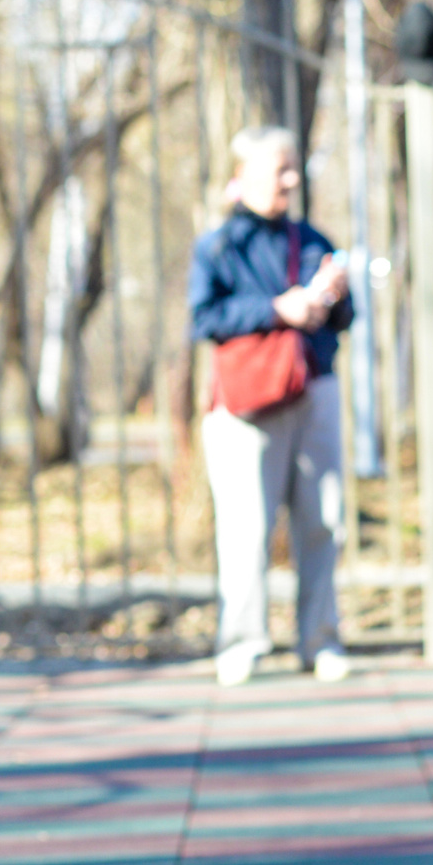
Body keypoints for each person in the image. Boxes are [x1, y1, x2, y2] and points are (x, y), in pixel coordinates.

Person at [188, 125, 354, 688]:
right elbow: (204, 319)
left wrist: (332, 296)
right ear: (241, 178)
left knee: (322, 521)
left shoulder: (311, 240)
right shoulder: (218, 246)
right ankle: (241, 642)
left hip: (314, 392)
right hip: (246, 405)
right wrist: (276, 308)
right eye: (278, 169)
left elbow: (343, 320)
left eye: (292, 167)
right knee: (245, 528)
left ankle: (319, 640)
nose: (290, 179)